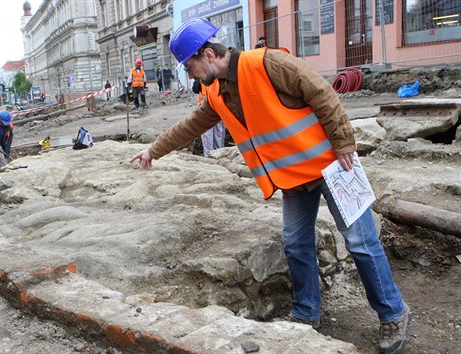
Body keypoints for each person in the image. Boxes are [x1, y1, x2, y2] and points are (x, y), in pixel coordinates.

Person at [129, 18, 411, 354]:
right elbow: (190, 125)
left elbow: (321, 92)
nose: (188, 74)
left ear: (208, 54)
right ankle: (307, 314)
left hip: (335, 167)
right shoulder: (217, 90)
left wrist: (345, 143)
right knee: (295, 244)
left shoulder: (267, 63)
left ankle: (393, 313)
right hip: (293, 177)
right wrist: (152, 150)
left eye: (189, 66)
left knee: (360, 242)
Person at [192, 79, 225, 157]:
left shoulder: (203, 74)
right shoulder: (217, 75)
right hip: (217, 105)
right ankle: (218, 154)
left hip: (205, 106)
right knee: (218, 132)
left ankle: (210, 156)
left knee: (208, 133)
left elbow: (195, 89)